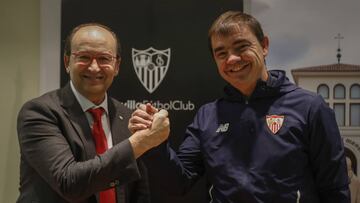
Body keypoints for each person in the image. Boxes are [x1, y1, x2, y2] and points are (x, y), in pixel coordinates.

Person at [129, 11, 350, 203]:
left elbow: (334, 189)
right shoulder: (208, 116)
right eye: (221, 53)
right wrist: (155, 144)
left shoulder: (310, 107)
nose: (232, 59)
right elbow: (178, 184)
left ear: (264, 46)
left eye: (241, 46)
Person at [17, 23, 169, 203]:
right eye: (84, 57)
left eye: (104, 58)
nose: (94, 67)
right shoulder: (39, 113)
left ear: (117, 65)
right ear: (67, 62)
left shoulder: (127, 116)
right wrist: (140, 142)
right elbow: (69, 183)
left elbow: (139, 191)